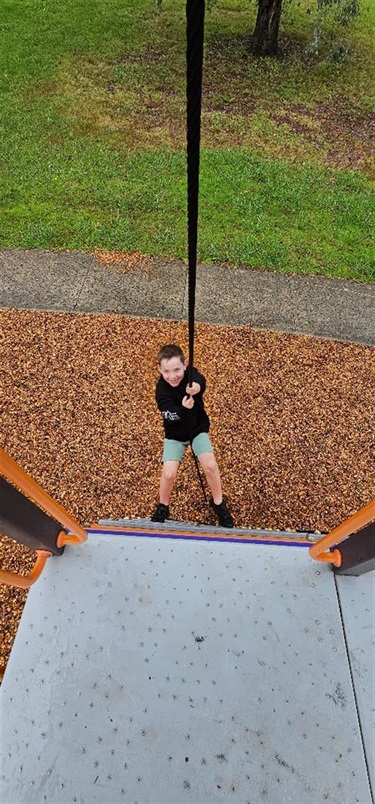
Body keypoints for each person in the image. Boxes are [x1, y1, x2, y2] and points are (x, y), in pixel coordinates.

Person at [151, 344, 234, 528]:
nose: (173, 375)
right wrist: (182, 409)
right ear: (159, 369)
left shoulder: (190, 375)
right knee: (169, 473)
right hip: (175, 434)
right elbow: (168, 414)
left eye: (177, 369)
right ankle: (163, 506)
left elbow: (200, 381)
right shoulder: (161, 391)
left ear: (185, 365)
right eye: (166, 371)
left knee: (211, 466)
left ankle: (219, 503)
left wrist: (196, 388)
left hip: (197, 429)